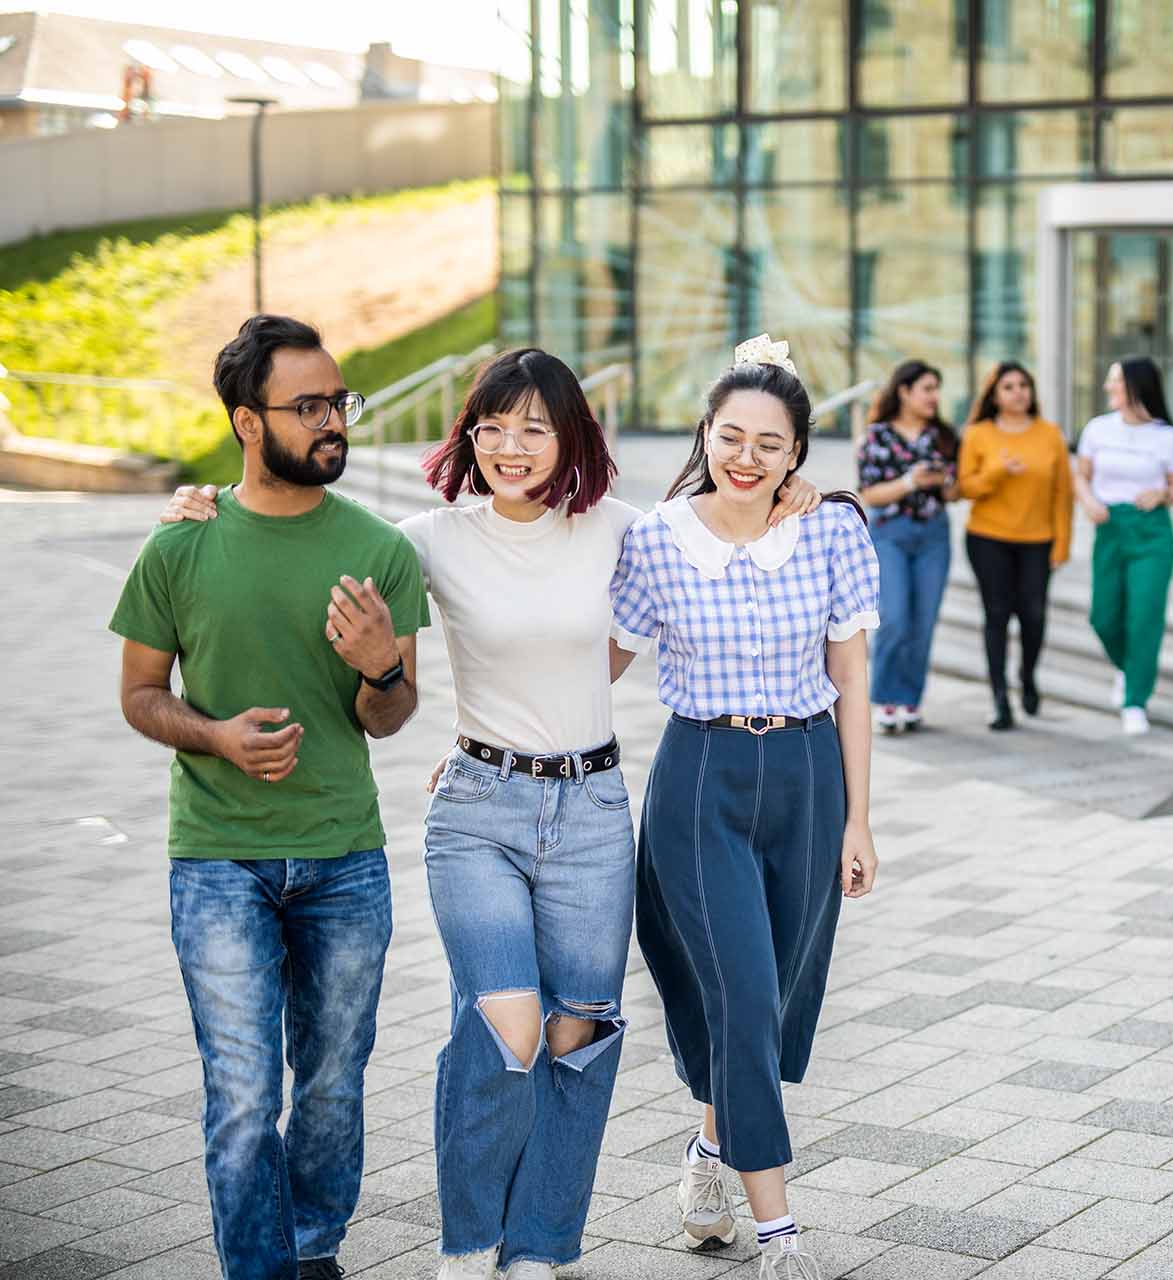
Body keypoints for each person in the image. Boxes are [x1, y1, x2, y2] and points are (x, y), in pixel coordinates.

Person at [156, 349, 820, 1280]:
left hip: (592, 810)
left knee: (578, 1035)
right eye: (492, 428)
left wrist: (796, 494)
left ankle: (539, 1251)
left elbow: (723, 522)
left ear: (570, 437)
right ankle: (468, 1246)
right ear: (469, 436)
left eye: (535, 428)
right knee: (506, 1025)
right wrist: (210, 506)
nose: (512, 447)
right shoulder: (429, 538)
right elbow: (307, 535)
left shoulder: (623, 531)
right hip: (478, 810)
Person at [110, 315, 430, 1280]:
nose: (334, 422)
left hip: (344, 859)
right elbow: (139, 694)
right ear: (248, 422)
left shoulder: (380, 549)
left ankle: (313, 1248)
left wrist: (379, 666)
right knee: (244, 1097)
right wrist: (216, 737)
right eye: (309, 407)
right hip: (216, 859)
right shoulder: (179, 548)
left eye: (340, 402)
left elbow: (391, 716)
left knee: (331, 1086)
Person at [609, 335, 879, 1280]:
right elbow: (596, 662)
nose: (747, 458)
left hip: (807, 775)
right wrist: (485, 730)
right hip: (700, 779)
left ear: (797, 452)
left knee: (776, 996)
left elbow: (853, 679)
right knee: (745, 992)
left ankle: (709, 1149)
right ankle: (780, 1234)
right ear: (705, 434)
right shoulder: (655, 538)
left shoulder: (832, 532)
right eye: (731, 437)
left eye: (771, 443)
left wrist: (858, 818)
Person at [1073, 357, 1173, 736]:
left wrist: (1162, 494)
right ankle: (1130, 667)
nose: (1108, 387)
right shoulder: (1097, 430)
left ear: (1137, 387)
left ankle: (1135, 700)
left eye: (1116, 381)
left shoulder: (1167, 437)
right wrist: (1088, 502)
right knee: (1103, 617)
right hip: (1110, 528)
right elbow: (1081, 477)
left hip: (1151, 533)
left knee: (1144, 617)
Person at [957, 361, 1072, 730]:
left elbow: (1063, 494)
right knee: (997, 615)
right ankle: (999, 698)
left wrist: (1062, 544)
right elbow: (965, 488)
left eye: (1023, 385)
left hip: (1037, 540)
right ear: (994, 395)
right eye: (1008, 387)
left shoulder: (1050, 435)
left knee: (1034, 616)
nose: (1018, 392)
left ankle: (1027, 675)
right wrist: (998, 472)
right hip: (988, 538)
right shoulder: (978, 434)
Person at [855, 360, 959, 733]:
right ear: (904, 391)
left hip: (934, 534)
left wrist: (944, 481)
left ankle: (910, 699)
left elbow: (955, 493)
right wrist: (911, 481)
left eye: (937, 389)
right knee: (895, 617)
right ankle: (886, 698)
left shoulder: (943, 436)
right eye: (927, 389)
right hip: (890, 533)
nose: (934, 397)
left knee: (924, 621)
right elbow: (869, 494)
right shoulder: (876, 436)